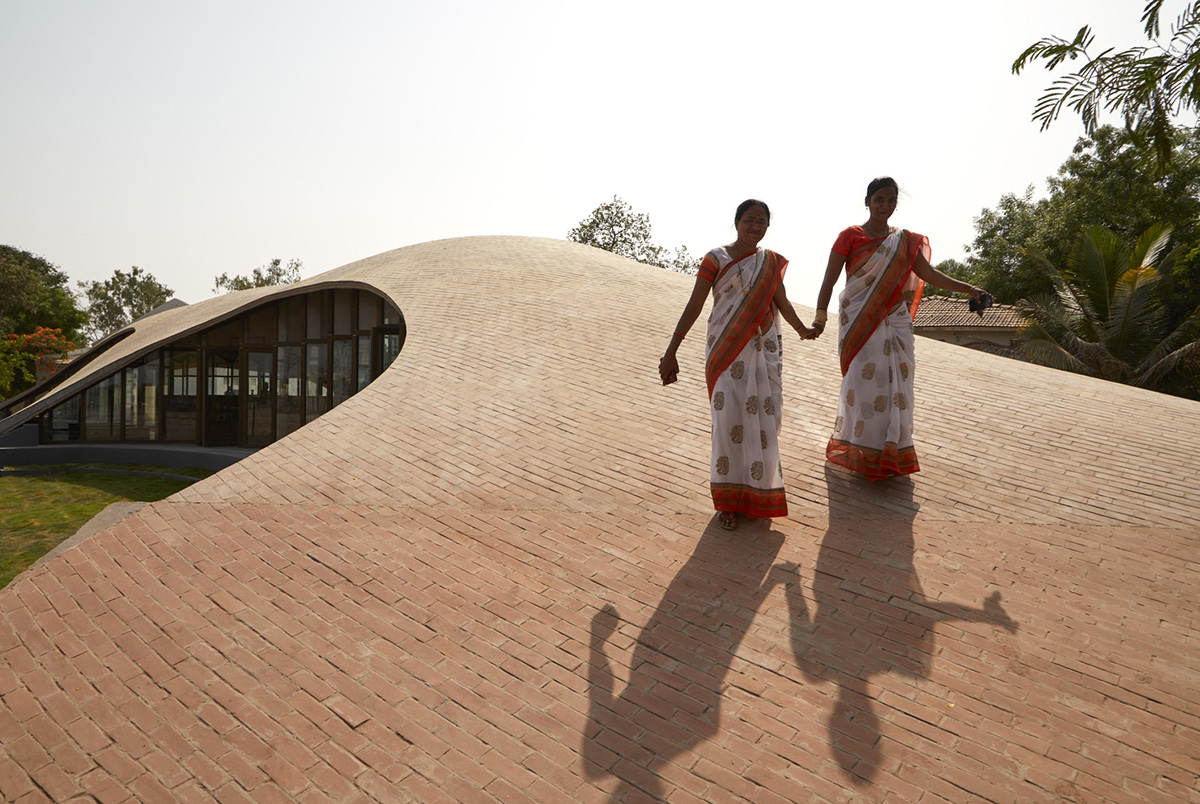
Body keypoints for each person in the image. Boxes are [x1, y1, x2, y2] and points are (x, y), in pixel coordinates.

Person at [809, 177, 986, 480]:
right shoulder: (850, 236)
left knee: (896, 388)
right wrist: (820, 318)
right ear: (867, 202)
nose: (885, 206)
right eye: (879, 199)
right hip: (861, 322)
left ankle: (892, 452)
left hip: (896, 321)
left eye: (891, 200)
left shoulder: (905, 240)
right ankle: (862, 451)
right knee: (864, 386)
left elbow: (929, 274)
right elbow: (830, 279)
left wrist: (969, 288)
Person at [659, 200, 812, 530]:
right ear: (736, 222)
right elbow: (696, 304)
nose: (755, 226)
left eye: (761, 222)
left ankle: (756, 495)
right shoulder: (717, 258)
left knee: (763, 423)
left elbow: (781, 301)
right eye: (749, 220)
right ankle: (728, 502)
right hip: (725, 351)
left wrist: (802, 330)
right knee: (728, 423)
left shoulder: (768, 262)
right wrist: (672, 350)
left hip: (760, 351)